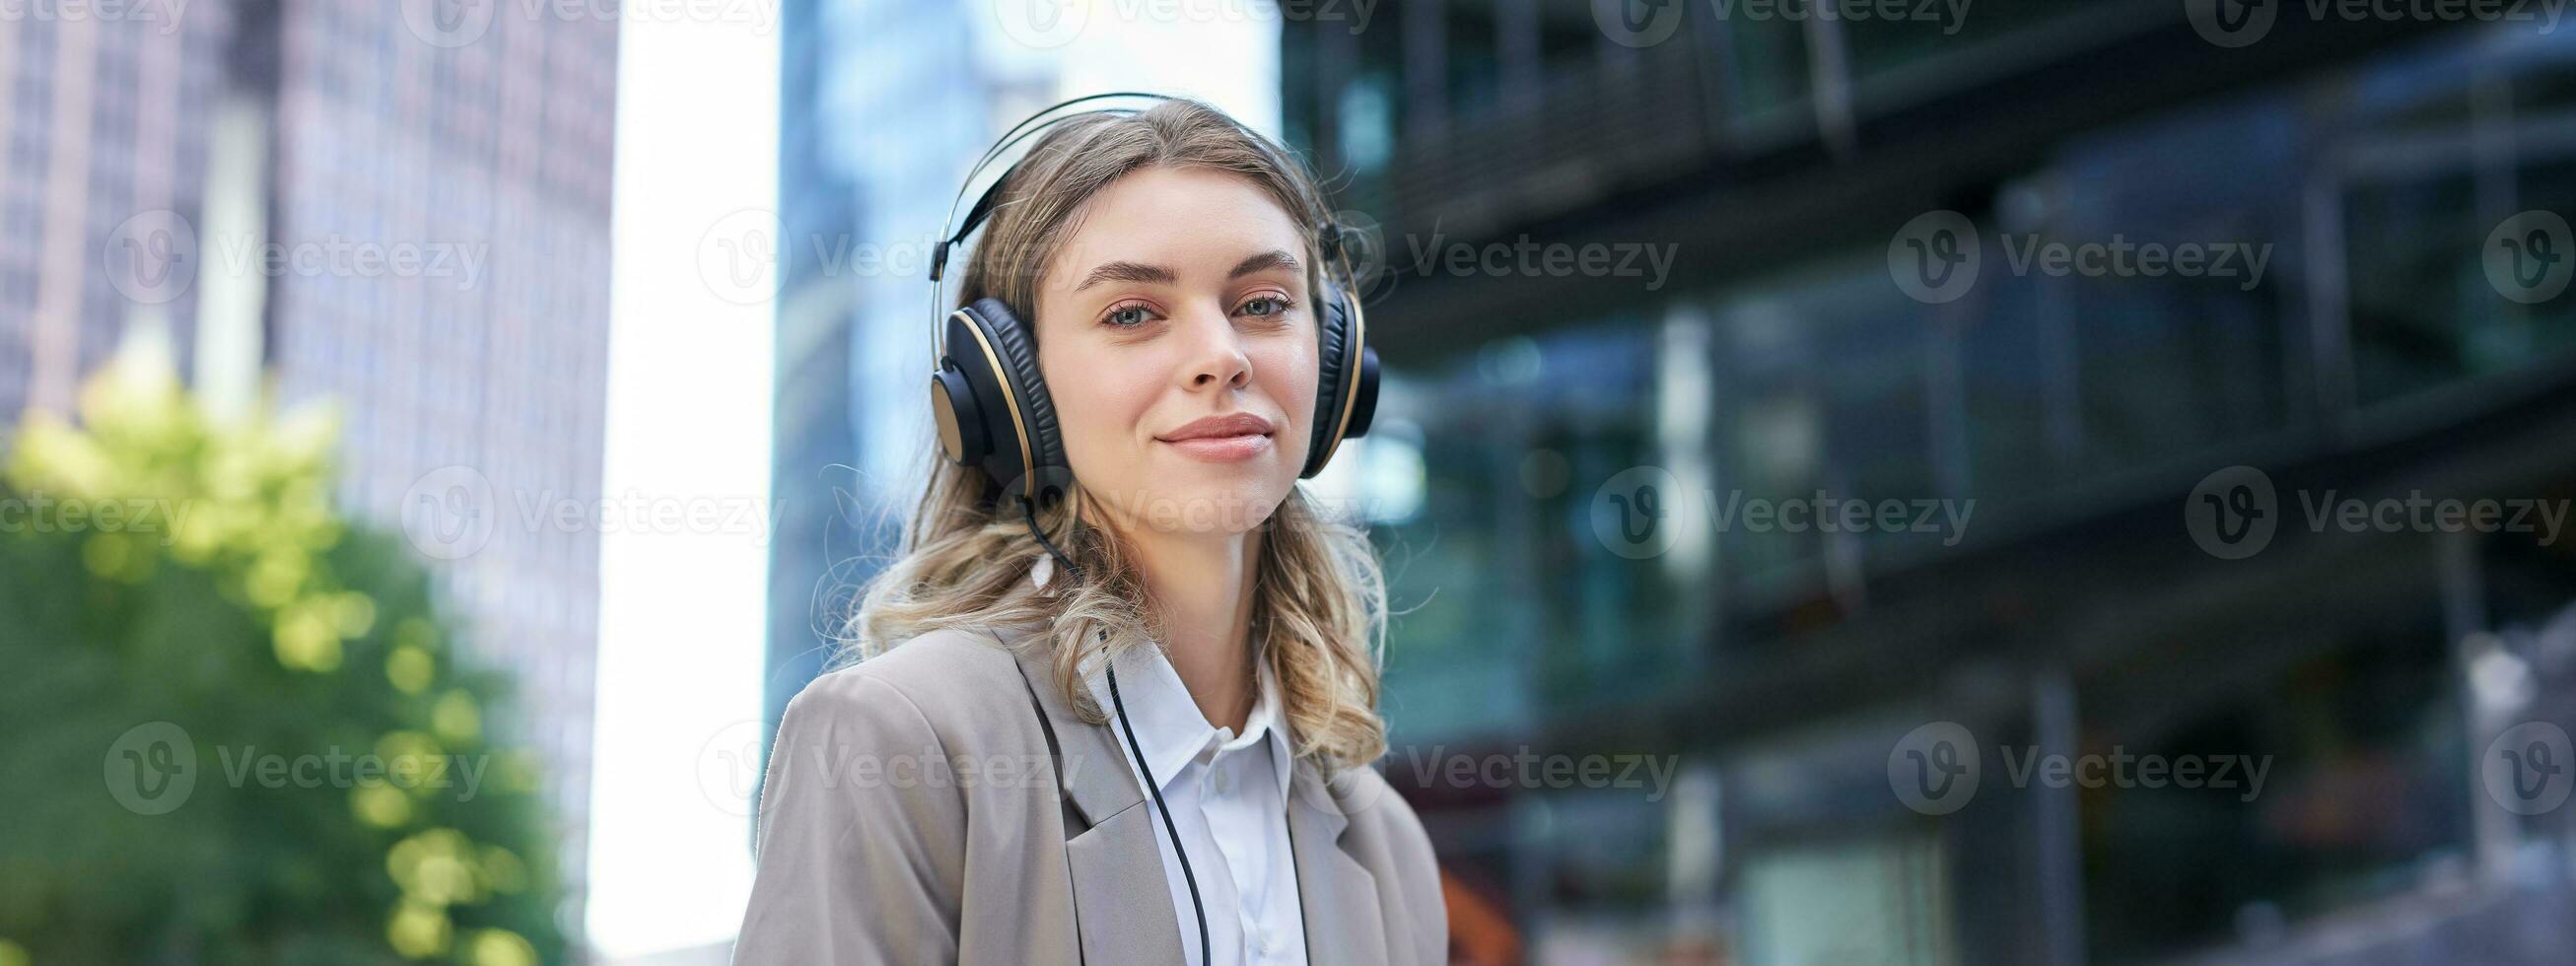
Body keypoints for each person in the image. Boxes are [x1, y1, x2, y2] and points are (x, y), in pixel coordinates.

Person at [731, 95, 1446, 966]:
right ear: (1008, 390)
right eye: (1132, 314)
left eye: (1262, 303)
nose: (1221, 354)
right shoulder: (895, 743)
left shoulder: (1385, 843)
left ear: (1334, 365)